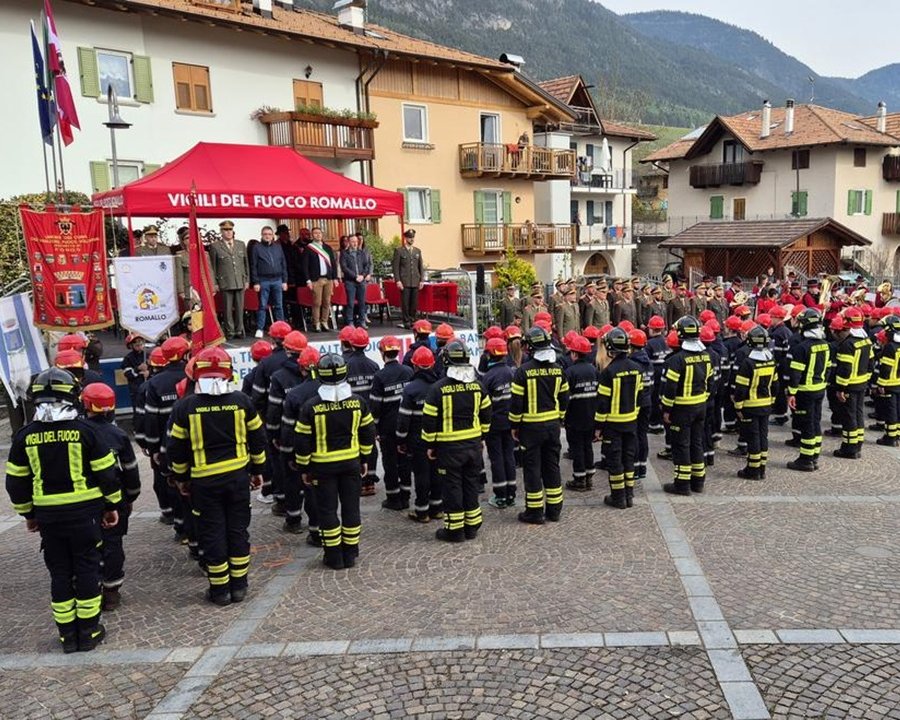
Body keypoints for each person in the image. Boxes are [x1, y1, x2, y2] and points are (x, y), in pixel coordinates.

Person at [5, 368, 121, 653]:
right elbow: (107, 476)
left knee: (59, 573)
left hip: (49, 519)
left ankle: (67, 636)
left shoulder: (24, 436)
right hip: (85, 515)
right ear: (72, 396)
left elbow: (16, 482)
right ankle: (89, 632)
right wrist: (112, 506)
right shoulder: (88, 432)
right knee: (86, 569)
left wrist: (28, 515)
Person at [168, 347, 266, 605]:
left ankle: (220, 591)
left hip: (203, 483)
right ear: (228, 372)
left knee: (211, 534)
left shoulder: (185, 407)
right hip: (237, 479)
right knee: (237, 531)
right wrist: (257, 471)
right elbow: (258, 439)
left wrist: (180, 478)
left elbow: (176, 449)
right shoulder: (242, 401)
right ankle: (240, 586)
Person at [294, 354, 375, 570]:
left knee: (327, 511)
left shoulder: (310, 406)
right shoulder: (358, 403)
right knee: (351, 508)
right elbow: (368, 433)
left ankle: (333, 557)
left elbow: (302, 441)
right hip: (351, 465)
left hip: (322, 468)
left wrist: (304, 467)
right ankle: (350, 553)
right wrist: (364, 458)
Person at [421, 341, 492, 542]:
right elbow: (487, 414)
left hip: (448, 449)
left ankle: (454, 530)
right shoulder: (478, 387)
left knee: (452, 488)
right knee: (471, 484)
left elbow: (429, 420)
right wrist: (482, 437)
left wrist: (430, 445)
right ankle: (472, 526)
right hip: (473, 447)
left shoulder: (437, 389)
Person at [81, 383, 141, 610]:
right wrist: (131, 497)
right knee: (113, 545)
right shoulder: (118, 434)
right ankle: (112, 592)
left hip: (86, 502)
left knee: (88, 547)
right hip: (115, 501)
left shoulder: (79, 432)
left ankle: (90, 588)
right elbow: (131, 470)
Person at [509, 326, 569, 524]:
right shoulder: (559, 370)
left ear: (530, 347)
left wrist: (514, 425)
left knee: (532, 468)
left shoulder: (522, 372)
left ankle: (534, 512)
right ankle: (554, 510)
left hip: (530, 428)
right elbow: (564, 398)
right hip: (552, 427)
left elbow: (516, 403)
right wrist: (559, 418)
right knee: (552, 466)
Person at [143, 336, 191, 542]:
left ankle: (181, 529)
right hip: (193, 443)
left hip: (167, 446)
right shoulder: (192, 377)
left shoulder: (154, 383)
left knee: (174, 486)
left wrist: (153, 448)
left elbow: (151, 420)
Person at [661, 316, 712, 495]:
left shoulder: (677, 360)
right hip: (700, 406)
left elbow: (670, 388)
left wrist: (667, 409)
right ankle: (698, 482)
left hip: (682, 409)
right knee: (697, 443)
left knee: (681, 445)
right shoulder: (706, 356)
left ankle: (682, 485)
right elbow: (710, 382)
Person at [594, 327, 644, 509]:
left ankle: (618, 497)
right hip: (631, 422)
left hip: (613, 425)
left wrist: (598, 426)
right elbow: (639, 396)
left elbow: (602, 404)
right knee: (629, 458)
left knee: (615, 461)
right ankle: (629, 495)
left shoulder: (608, 372)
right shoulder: (637, 368)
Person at [264, 331, 309, 530]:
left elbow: (273, 410)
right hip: (310, 437)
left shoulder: (278, 376)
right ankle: (316, 525)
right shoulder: (314, 379)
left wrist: (273, 435)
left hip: (287, 435)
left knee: (290, 478)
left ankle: (293, 519)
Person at [280, 347, 322, 543]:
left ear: (302, 369)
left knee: (297, 485)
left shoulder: (295, 394)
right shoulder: (331, 390)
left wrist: (288, 454)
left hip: (302, 450)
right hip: (327, 450)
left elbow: (288, 429)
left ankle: (297, 521)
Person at [398, 347, 442, 523]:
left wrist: (401, 439)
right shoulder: (439, 386)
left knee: (422, 475)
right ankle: (437, 508)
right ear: (432, 364)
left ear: (415, 366)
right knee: (437, 472)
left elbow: (403, 419)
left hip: (418, 440)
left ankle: (422, 511)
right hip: (438, 438)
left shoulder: (410, 389)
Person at [370, 337, 415, 511]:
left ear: (382, 353)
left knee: (390, 463)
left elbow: (375, 406)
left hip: (387, 428)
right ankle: (405, 495)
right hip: (406, 426)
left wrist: (374, 428)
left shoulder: (380, 377)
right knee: (404, 462)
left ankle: (394, 498)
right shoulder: (408, 371)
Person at [786, 309, 831, 471]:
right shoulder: (825, 345)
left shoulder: (801, 348)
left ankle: (805, 460)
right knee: (816, 422)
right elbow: (827, 369)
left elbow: (795, 374)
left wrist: (791, 393)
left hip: (805, 392)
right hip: (819, 389)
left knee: (807, 425)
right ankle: (814, 456)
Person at [732, 326, 776, 480]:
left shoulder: (748, 363)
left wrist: (738, 406)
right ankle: (762, 467)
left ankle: (752, 469)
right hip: (766, 405)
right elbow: (775, 384)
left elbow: (741, 388)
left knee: (753, 437)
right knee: (763, 436)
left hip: (751, 406)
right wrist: (772, 401)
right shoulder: (771, 360)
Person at [832, 308, 873, 459]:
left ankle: (849, 448)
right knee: (859, 413)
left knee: (849, 416)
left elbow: (845, 369)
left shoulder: (847, 344)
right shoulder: (866, 340)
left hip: (849, 385)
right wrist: (866, 378)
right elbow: (871, 363)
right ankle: (858, 444)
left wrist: (841, 388)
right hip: (861, 384)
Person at [345, 328, 381, 495]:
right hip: (369, 413)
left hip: (351, 413)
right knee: (370, 446)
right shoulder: (373, 366)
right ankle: (370, 482)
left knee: (355, 447)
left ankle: (359, 481)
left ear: (350, 344)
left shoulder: (346, 366)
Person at [481, 337, 516, 508]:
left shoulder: (488, 377)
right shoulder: (512, 372)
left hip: (494, 424)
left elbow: (484, 406)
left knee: (497, 459)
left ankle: (500, 495)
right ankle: (511, 493)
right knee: (509, 455)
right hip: (510, 422)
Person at [563, 334, 600, 493]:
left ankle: (579, 479)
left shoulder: (570, 372)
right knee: (588, 447)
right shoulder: (593, 370)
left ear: (574, 354)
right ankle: (589, 476)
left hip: (575, 418)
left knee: (577, 448)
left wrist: (564, 416)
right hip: (591, 416)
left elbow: (566, 397)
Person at [209, 220, 250, 340]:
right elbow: (213, 266)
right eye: (225, 230)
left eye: (230, 230)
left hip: (239, 280)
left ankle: (239, 330)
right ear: (221, 232)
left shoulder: (240, 244)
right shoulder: (215, 246)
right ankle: (230, 331)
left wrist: (247, 279)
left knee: (240, 307)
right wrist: (215, 283)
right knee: (227, 309)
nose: (228, 232)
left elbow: (245, 263)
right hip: (225, 281)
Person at [250, 225, 289, 339]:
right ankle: (260, 328)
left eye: (269, 234)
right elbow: (254, 265)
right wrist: (255, 282)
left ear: (273, 236)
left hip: (278, 279)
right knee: (262, 305)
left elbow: (283, 264)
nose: (267, 236)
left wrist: (285, 280)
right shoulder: (257, 248)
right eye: (265, 234)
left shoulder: (278, 247)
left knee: (279, 305)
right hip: (263, 280)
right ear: (262, 235)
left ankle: (281, 329)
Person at [303, 228, 338, 333]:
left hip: (328, 279)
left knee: (327, 302)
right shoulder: (309, 248)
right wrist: (308, 280)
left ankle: (324, 322)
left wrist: (335, 277)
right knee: (317, 302)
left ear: (322, 234)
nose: (318, 235)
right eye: (315, 233)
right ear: (312, 235)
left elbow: (333, 264)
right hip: (316, 279)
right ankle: (316, 323)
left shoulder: (327, 248)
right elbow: (305, 266)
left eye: (319, 233)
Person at [391, 229, 425, 329]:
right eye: (410, 237)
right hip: (404, 281)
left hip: (415, 280)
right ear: (405, 238)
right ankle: (406, 321)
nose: (411, 239)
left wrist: (422, 280)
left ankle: (413, 320)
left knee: (414, 303)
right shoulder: (399, 251)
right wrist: (398, 280)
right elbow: (396, 267)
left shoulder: (417, 251)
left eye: (413, 237)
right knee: (405, 303)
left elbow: (420, 267)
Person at [875, 314, 900, 446]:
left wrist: (881, 384)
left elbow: (885, 368)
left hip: (890, 384)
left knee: (890, 411)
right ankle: (897, 435)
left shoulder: (890, 347)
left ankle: (890, 438)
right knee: (898, 410)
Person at [340, 233, 373, 328]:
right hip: (350, 281)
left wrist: (362, 276)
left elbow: (366, 265)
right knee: (350, 302)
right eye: (352, 241)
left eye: (356, 241)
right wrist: (355, 276)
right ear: (349, 242)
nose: (354, 243)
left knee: (362, 302)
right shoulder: (344, 253)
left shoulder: (361, 253)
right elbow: (344, 268)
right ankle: (350, 321)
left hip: (361, 281)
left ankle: (362, 321)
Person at [120, 334, 148, 411]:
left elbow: (157, 370)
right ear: (131, 345)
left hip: (149, 388)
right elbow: (127, 374)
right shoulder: (128, 358)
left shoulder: (148, 355)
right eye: (136, 343)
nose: (139, 344)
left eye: (140, 342)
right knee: (138, 411)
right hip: (136, 389)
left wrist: (149, 373)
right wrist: (138, 369)